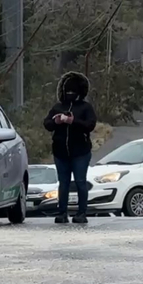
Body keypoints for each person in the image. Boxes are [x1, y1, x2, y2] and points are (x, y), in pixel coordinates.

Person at [44, 72, 97, 224]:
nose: (70, 94)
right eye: (67, 92)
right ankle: (62, 213)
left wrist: (73, 121)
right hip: (60, 152)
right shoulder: (58, 107)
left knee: (80, 182)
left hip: (81, 152)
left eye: (73, 92)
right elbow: (47, 124)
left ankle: (81, 213)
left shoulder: (85, 107)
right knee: (63, 183)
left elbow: (90, 125)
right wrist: (56, 122)